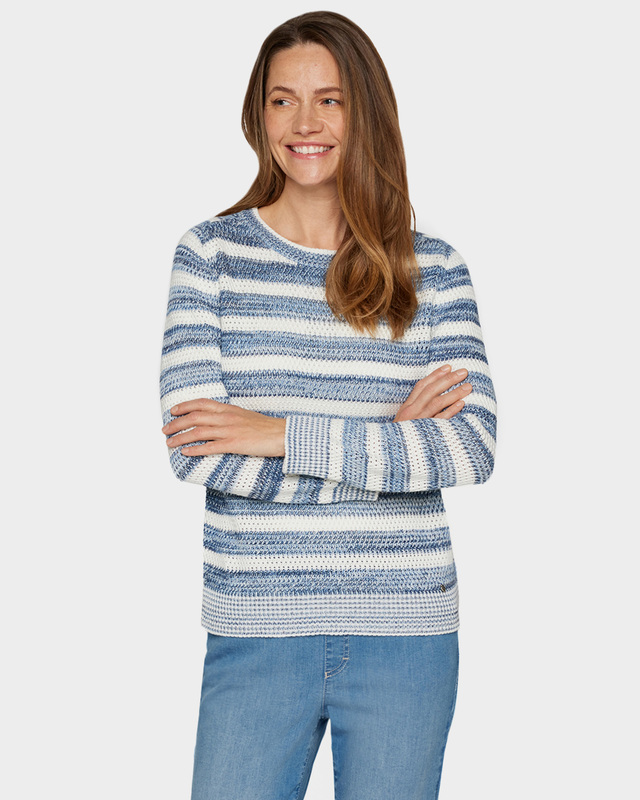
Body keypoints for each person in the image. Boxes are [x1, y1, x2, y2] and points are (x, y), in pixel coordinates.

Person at [159, 10, 496, 800]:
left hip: (407, 634)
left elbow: (470, 449)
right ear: (259, 115)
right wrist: (389, 443)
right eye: (283, 100)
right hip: (255, 627)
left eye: (330, 100)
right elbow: (198, 452)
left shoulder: (433, 269)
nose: (304, 123)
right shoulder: (209, 256)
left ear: (364, 112)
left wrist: (276, 434)